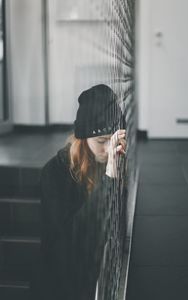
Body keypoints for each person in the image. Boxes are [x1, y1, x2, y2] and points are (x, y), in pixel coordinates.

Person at [30, 84, 126, 300]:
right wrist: (110, 178)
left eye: (113, 141)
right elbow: (71, 241)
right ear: (82, 138)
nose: (107, 149)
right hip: (57, 284)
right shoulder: (55, 173)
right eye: (101, 141)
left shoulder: (114, 158)